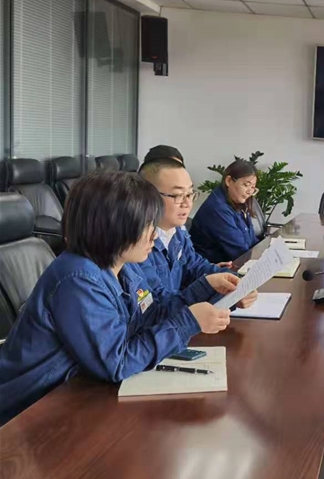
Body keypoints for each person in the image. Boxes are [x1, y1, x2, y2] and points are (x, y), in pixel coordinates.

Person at [0, 172, 232, 425]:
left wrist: (203, 289)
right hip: (32, 410)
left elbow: (151, 314)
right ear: (114, 227)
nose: (154, 236)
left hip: (79, 390)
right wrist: (187, 323)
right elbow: (117, 362)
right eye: (146, 226)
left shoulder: (124, 265)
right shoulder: (78, 279)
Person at [139, 158, 257, 307]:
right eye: (177, 195)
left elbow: (195, 266)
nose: (187, 203)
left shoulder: (177, 231)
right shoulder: (138, 245)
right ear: (148, 197)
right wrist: (223, 294)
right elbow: (157, 306)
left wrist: (236, 282)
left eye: (189, 194)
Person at [190, 160, 259, 263]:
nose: (249, 191)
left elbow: (252, 241)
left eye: (253, 187)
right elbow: (240, 252)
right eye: (246, 185)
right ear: (229, 181)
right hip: (211, 268)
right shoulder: (217, 208)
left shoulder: (238, 202)